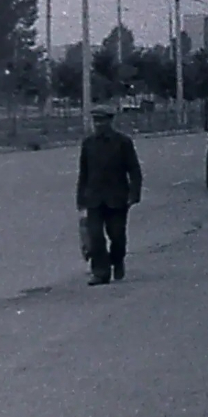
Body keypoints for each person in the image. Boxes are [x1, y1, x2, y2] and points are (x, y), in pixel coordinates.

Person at [77, 103, 143, 286]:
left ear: (110, 121)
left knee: (117, 236)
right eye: (95, 121)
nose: (98, 124)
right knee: (95, 236)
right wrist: (80, 200)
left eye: (102, 120)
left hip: (117, 198)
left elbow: (134, 170)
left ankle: (117, 260)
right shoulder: (88, 143)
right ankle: (100, 272)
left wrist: (134, 194)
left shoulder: (123, 142)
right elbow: (84, 173)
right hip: (94, 198)